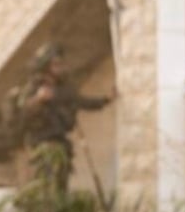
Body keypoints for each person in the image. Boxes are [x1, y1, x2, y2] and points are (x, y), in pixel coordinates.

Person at [13, 42, 112, 195]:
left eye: (60, 63)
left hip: (60, 145)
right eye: (55, 64)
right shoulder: (34, 88)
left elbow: (82, 102)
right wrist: (38, 100)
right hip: (41, 145)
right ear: (46, 67)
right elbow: (22, 113)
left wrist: (106, 99)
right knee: (44, 188)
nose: (60, 67)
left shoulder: (63, 88)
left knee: (60, 187)